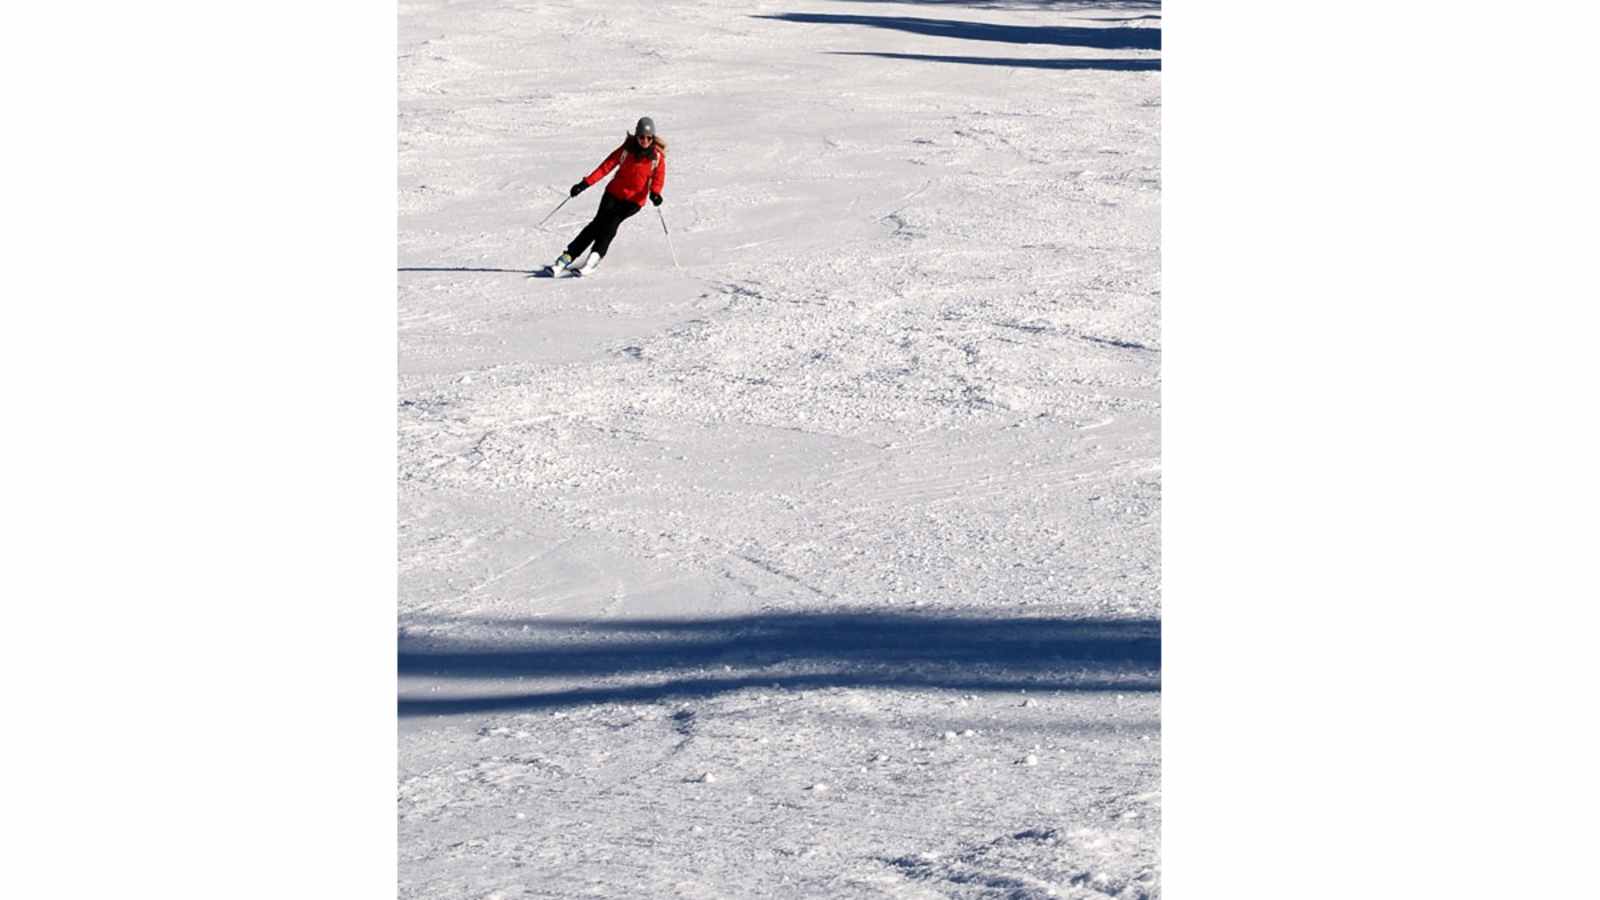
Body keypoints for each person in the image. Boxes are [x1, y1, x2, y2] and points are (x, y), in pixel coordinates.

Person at [543, 117, 667, 276]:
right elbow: (605, 167)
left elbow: (659, 178)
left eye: (649, 137)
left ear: (653, 138)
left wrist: (656, 193)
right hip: (613, 194)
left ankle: (593, 258)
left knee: (611, 223)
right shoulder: (626, 150)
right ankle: (566, 258)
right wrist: (584, 184)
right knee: (596, 225)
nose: (645, 141)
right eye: (641, 137)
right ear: (636, 136)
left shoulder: (657, 158)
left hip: (634, 201)